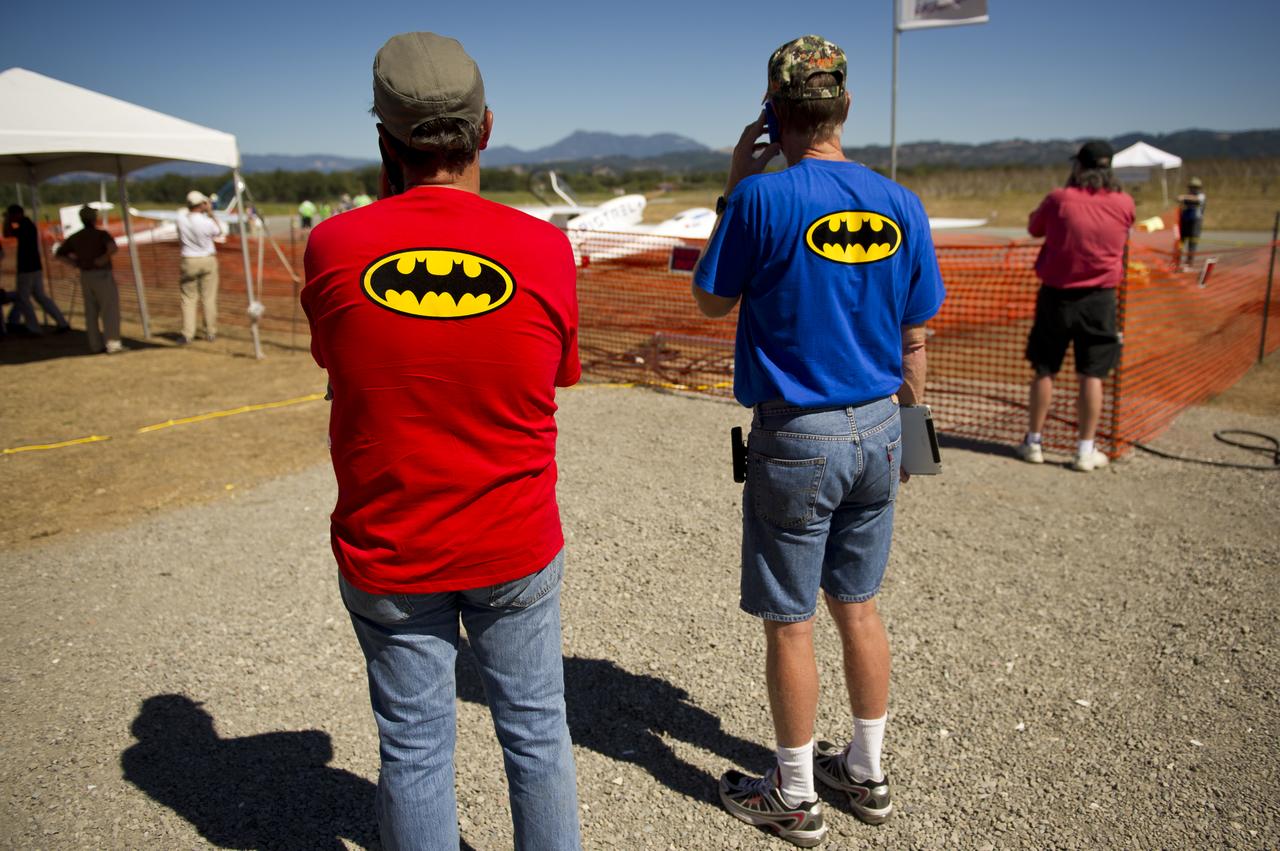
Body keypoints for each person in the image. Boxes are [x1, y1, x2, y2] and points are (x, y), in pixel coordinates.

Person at [301, 31, 582, 851]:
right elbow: (554, 376)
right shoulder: (545, 248)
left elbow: (336, 364)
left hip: (391, 544)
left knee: (416, 750)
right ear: (485, 128)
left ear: (382, 137)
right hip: (514, 540)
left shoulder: (331, 247)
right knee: (536, 734)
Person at [692, 35, 945, 848]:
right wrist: (912, 436)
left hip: (796, 434)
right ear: (845, 108)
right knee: (860, 605)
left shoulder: (763, 201)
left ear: (775, 111)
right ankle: (865, 772)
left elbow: (708, 299)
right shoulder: (900, 202)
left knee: (791, 620)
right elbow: (917, 335)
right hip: (880, 425)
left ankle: (793, 793)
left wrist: (734, 188)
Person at [1016, 140, 1134, 472]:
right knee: (1092, 374)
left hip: (1056, 295)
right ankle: (1085, 449)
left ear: (1078, 167)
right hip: (1101, 299)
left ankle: (1034, 442)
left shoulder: (1059, 199)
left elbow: (1034, 227)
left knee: (1044, 369)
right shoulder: (1124, 202)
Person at [54, 205, 122, 354]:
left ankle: (95, 345)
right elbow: (113, 248)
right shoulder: (101, 234)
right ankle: (113, 343)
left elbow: (59, 254)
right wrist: (102, 259)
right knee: (109, 309)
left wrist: (75, 263)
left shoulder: (76, 237)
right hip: (102, 275)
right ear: (93, 218)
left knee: (91, 312)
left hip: (86, 275)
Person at [3, 204, 70, 335]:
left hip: (27, 268)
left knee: (24, 298)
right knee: (40, 296)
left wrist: (7, 221)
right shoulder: (28, 225)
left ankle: (33, 327)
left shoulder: (25, 226)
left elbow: (7, 233)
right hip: (34, 267)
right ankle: (62, 322)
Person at [175, 191, 225, 344]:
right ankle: (210, 331)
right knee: (208, 298)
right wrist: (210, 212)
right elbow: (219, 230)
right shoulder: (206, 222)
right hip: (207, 259)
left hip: (188, 259)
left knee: (188, 298)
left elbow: (182, 213)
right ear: (202, 204)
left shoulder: (180, 218)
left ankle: (187, 333)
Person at [1177, 176, 1206, 269]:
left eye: (1195, 187)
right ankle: (1177, 261)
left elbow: (1197, 199)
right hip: (1185, 221)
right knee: (1180, 242)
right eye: (1191, 187)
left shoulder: (1201, 196)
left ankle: (1189, 262)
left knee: (1192, 243)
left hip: (1195, 222)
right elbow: (1180, 201)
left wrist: (1184, 197)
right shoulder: (1187, 197)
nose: (1192, 189)